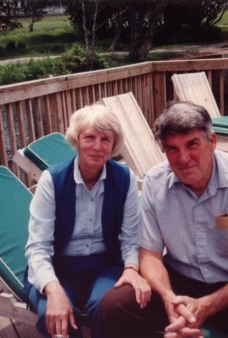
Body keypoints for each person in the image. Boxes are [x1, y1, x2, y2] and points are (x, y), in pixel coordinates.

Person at [101, 101, 228, 338]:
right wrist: (169, 299)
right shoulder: (155, 182)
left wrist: (208, 304)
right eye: (172, 149)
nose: (183, 158)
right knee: (115, 304)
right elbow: (150, 255)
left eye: (192, 145)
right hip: (179, 282)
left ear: (212, 142)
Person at [23, 104, 151, 338]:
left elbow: (131, 235)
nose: (97, 146)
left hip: (105, 265)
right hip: (58, 267)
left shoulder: (124, 179)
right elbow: (37, 246)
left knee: (109, 308)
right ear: (76, 139)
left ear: (114, 144)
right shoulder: (52, 180)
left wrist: (132, 268)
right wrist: (53, 289)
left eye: (105, 139)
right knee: (59, 315)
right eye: (89, 137)